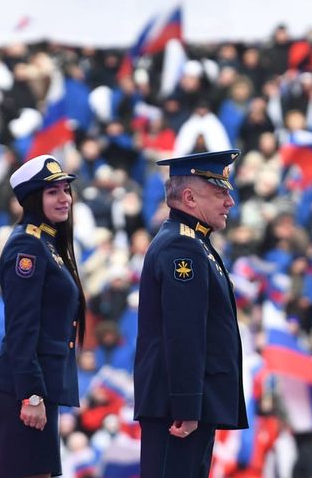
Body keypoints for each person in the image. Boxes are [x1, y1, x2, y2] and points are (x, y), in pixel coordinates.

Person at [134, 149, 248, 478]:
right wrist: (186, 404)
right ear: (189, 198)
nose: (230, 202)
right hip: (177, 408)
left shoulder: (195, 242)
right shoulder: (181, 246)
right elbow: (184, 332)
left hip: (189, 404)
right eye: (220, 193)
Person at [0, 154, 87, 478]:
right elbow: (21, 327)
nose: (64, 198)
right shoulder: (27, 246)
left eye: (66, 190)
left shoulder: (46, 242)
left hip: (39, 385)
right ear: (32, 199)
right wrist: (31, 394)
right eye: (53, 192)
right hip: (25, 388)